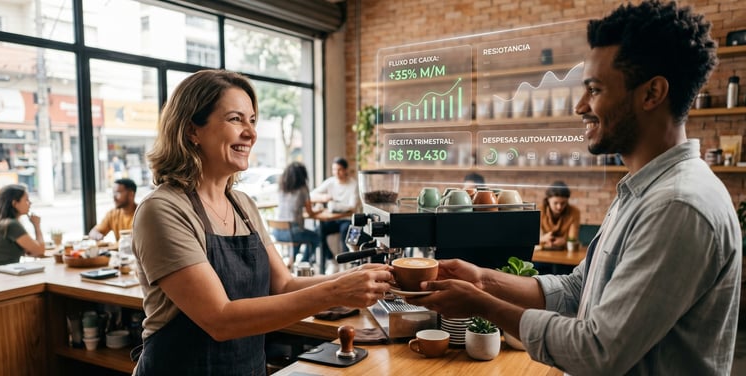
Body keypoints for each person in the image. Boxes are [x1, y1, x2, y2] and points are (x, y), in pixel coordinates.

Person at [408, 2, 741, 374]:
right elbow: (577, 291)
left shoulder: (678, 206)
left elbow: (598, 351)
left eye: (594, 90)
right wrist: (482, 279)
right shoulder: (642, 192)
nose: (580, 106)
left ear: (652, 94)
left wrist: (482, 305)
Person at [131, 69, 391, 374]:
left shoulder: (242, 205)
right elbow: (220, 318)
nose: (251, 133)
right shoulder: (163, 209)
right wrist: (336, 292)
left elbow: (283, 285)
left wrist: (359, 275)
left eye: (252, 120)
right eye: (235, 119)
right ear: (192, 131)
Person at [0, 184, 45, 266]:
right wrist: (37, 225)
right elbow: (39, 251)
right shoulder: (11, 225)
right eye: (26, 200)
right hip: (5, 276)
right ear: (14, 203)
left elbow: (31, 251)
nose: (30, 203)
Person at [273, 161, 322, 264]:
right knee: (317, 237)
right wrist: (319, 209)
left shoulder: (282, 188)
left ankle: (291, 262)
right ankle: (303, 263)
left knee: (299, 236)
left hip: (277, 231)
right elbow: (310, 213)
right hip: (292, 232)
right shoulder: (303, 189)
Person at [311, 157, 359, 259]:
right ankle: (330, 260)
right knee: (318, 231)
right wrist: (324, 197)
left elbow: (352, 206)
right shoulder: (330, 182)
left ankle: (347, 261)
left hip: (347, 220)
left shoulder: (353, 184)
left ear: (345, 170)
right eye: (334, 169)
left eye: (339, 169)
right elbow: (312, 195)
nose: (336, 172)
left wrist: (334, 206)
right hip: (333, 220)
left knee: (345, 232)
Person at [88, 178, 137, 242]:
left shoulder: (141, 214)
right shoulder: (113, 214)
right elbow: (93, 232)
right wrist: (98, 236)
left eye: (118, 193)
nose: (114, 197)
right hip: (120, 251)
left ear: (131, 194)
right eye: (113, 193)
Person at [539, 180, 580, 249]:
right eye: (555, 203)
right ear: (548, 200)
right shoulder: (539, 211)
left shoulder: (574, 212)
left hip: (565, 253)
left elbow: (572, 239)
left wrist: (564, 241)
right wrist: (543, 239)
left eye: (563, 203)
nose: (559, 207)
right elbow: (530, 238)